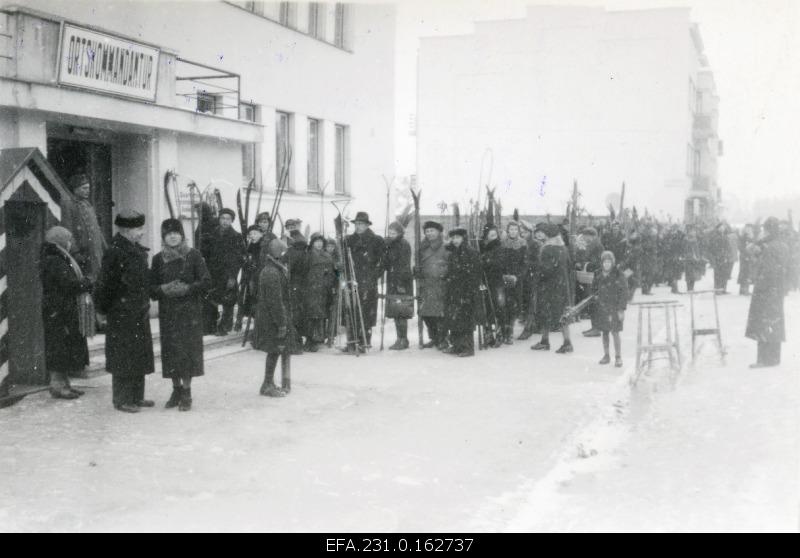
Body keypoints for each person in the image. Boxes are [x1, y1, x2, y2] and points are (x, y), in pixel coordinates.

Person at [95, 211, 155, 413]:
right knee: (123, 356)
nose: (142, 233)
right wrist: (102, 310)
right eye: (139, 229)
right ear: (127, 231)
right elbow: (105, 284)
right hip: (122, 312)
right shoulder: (115, 252)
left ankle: (137, 396)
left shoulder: (135, 250)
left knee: (138, 354)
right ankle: (122, 399)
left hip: (138, 310)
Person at [150, 219, 211, 411]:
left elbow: (206, 281)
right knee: (171, 353)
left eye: (176, 233)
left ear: (182, 235)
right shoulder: (158, 259)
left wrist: (187, 288)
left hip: (189, 313)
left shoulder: (194, 255)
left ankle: (187, 392)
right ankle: (175, 390)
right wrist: (164, 289)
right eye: (168, 234)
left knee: (187, 352)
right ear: (164, 237)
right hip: (168, 314)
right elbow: (151, 288)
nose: (173, 236)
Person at [40, 226, 93, 400]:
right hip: (58, 312)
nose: (71, 243)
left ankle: (65, 384)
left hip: (61, 310)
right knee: (59, 349)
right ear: (61, 241)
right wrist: (86, 283)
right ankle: (57, 386)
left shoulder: (59, 258)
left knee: (64, 348)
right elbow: (68, 284)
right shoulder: (55, 260)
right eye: (68, 240)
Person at [253, 239, 297, 396]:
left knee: (276, 350)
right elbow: (275, 301)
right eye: (284, 252)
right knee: (274, 349)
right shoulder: (272, 272)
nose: (286, 255)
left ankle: (269, 383)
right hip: (272, 318)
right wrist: (282, 323)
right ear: (278, 254)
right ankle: (267, 385)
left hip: (271, 317)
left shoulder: (274, 269)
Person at [745, 217, 790, 368]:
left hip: (766, 290)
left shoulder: (769, 246)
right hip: (777, 289)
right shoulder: (782, 245)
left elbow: (767, 269)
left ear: (768, 230)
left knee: (763, 323)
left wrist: (759, 282)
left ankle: (764, 359)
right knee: (775, 322)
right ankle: (774, 358)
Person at [345, 212, 385, 348]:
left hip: (368, 280)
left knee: (367, 311)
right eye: (356, 224)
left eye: (361, 224)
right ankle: (352, 341)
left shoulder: (376, 240)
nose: (358, 226)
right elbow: (344, 258)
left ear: (367, 225)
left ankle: (365, 340)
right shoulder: (349, 240)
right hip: (353, 278)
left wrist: (374, 275)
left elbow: (383, 261)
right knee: (352, 309)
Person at [531, 224, 573, 353]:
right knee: (563, 314)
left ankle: (545, 341)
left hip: (548, 287)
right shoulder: (563, 248)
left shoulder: (547, 249)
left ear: (548, 234)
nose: (540, 235)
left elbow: (545, 270)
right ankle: (567, 342)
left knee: (545, 313)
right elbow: (570, 266)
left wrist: (536, 273)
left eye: (542, 232)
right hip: (562, 285)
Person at [60, 173, 107, 282]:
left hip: (95, 252)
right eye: (84, 188)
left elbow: (97, 230)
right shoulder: (69, 205)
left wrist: (105, 248)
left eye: (88, 188)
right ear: (76, 189)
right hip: (83, 253)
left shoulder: (88, 205)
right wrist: (76, 252)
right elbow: (68, 231)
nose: (88, 191)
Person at [206, 208, 245, 335]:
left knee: (228, 300)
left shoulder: (236, 236)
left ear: (232, 221)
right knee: (211, 299)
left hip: (228, 274)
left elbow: (239, 258)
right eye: (222, 218)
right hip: (213, 272)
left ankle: (225, 326)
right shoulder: (212, 234)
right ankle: (211, 325)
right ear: (219, 219)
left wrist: (233, 277)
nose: (225, 221)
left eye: (228, 219)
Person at [443, 228, 481, 357]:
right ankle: (456, 345)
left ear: (463, 238)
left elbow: (475, 275)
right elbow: (451, 271)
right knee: (454, 318)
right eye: (453, 238)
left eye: (457, 238)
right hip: (453, 290)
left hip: (466, 292)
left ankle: (467, 348)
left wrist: (469, 293)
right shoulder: (453, 253)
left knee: (465, 320)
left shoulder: (471, 253)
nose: (455, 240)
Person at [417, 221, 450, 349]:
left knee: (440, 314)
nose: (429, 233)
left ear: (439, 232)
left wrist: (444, 272)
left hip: (441, 284)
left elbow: (450, 262)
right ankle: (434, 338)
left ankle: (443, 339)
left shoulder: (446, 246)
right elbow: (419, 264)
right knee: (426, 314)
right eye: (427, 231)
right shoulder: (423, 247)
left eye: (432, 230)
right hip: (426, 284)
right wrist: (417, 271)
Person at [592, 251, 627, 367]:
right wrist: (595, 297)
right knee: (605, 332)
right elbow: (593, 290)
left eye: (609, 262)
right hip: (602, 307)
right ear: (602, 263)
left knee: (615, 332)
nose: (606, 264)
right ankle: (606, 355)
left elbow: (623, 293)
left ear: (612, 262)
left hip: (614, 307)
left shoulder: (618, 274)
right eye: (604, 262)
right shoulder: (597, 274)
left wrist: (621, 309)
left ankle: (618, 357)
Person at [384, 221, 414, 350]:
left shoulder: (403, 244)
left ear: (399, 233)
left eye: (393, 233)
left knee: (401, 310)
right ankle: (399, 338)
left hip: (401, 281)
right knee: (395, 310)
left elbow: (403, 265)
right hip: (393, 279)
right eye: (389, 233)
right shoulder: (391, 244)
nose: (391, 235)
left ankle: (403, 339)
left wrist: (401, 283)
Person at [304, 233, 336, 352]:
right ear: (312, 243)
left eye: (320, 241)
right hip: (311, 288)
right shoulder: (308, 256)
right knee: (311, 315)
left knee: (320, 314)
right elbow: (304, 271)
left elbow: (333, 273)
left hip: (323, 289)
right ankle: (310, 339)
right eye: (316, 241)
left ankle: (317, 339)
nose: (319, 243)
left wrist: (334, 276)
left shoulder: (328, 256)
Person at [480, 224, 509, 346]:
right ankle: (488, 332)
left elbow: (500, 263)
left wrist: (487, 261)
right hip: (485, 280)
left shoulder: (499, 247)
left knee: (498, 306)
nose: (493, 237)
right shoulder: (482, 247)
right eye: (490, 235)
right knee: (486, 306)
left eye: (494, 235)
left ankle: (501, 332)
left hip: (496, 281)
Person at [518, 224, 545, 340]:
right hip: (524, 278)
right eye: (522, 232)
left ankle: (528, 329)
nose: (523, 234)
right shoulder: (521, 243)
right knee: (527, 302)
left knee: (532, 304)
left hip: (534, 277)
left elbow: (540, 262)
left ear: (530, 232)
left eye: (525, 232)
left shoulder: (536, 244)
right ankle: (536, 326)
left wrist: (526, 263)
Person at [502, 221, 528, 341]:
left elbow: (524, 263)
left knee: (514, 304)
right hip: (505, 277)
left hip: (517, 278)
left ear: (518, 231)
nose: (513, 232)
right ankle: (505, 330)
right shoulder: (503, 243)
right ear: (508, 231)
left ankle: (510, 328)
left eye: (515, 229)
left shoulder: (523, 244)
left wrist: (518, 276)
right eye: (511, 229)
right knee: (505, 303)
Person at [284, 229, 309, 352]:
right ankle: (298, 341)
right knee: (299, 313)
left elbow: (286, 268)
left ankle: (294, 342)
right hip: (303, 287)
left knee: (292, 313)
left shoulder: (291, 252)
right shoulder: (305, 251)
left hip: (292, 285)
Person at [708, 222, 735, 293]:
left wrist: (728, 255)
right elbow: (712, 248)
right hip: (717, 257)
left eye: (723, 227)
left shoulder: (725, 236)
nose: (722, 228)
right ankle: (717, 289)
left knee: (725, 274)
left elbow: (728, 247)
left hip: (725, 258)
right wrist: (715, 256)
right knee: (718, 274)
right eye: (721, 227)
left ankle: (723, 289)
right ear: (718, 228)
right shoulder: (714, 236)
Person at [737, 224, 756, 295]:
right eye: (748, 228)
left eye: (750, 228)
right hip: (744, 257)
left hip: (749, 256)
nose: (749, 229)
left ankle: (745, 289)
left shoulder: (751, 237)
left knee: (748, 273)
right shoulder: (743, 237)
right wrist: (745, 255)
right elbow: (740, 247)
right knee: (744, 272)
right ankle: (743, 290)